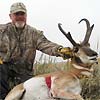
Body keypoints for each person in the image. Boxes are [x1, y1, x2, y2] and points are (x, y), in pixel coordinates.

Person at [0, 2, 73, 99]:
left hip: (24, 73)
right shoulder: (2, 30)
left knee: (33, 91)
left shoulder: (34, 33)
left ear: (26, 15)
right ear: (10, 16)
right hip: (5, 69)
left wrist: (60, 50)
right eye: (16, 14)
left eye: (22, 14)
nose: (20, 17)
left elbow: (46, 45)